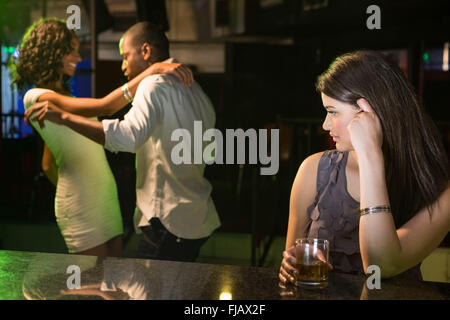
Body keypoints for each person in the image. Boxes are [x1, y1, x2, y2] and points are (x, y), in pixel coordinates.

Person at [25, 21, 221, 262]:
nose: (122, 65)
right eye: (72, 50)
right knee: (101, 283)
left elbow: (124, 133)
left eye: (125, 56)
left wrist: (64, 118)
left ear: (146, 52)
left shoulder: (152, 85)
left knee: (124, 289)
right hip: (194, 217)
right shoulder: (196, 91)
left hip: (164, 217)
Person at [278, 50, 450, 283]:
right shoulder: (313, 170)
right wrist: (292, 265)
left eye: (333, 112)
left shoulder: (440, 191)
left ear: (371, 112)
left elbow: (381, 265)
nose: (325, 124)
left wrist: (370, 156)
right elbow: (291, 265)